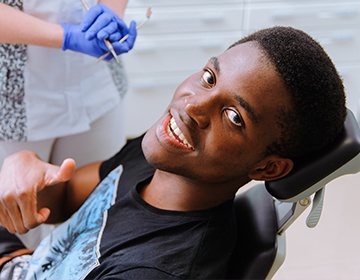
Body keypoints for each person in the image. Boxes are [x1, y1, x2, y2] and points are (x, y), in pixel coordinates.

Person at [0, 26, 346, 279]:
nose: (193, 106)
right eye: (210, 78)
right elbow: (61, 200)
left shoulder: (156, 270)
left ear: (269, 168)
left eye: (234, 117)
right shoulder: (162, 156)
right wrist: (23, 166)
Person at [0, 1, 137, 249]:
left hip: (97, 86)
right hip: (12, 99)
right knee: (20, 224)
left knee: (100, 206)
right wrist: (66, 36)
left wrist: (112, 14)